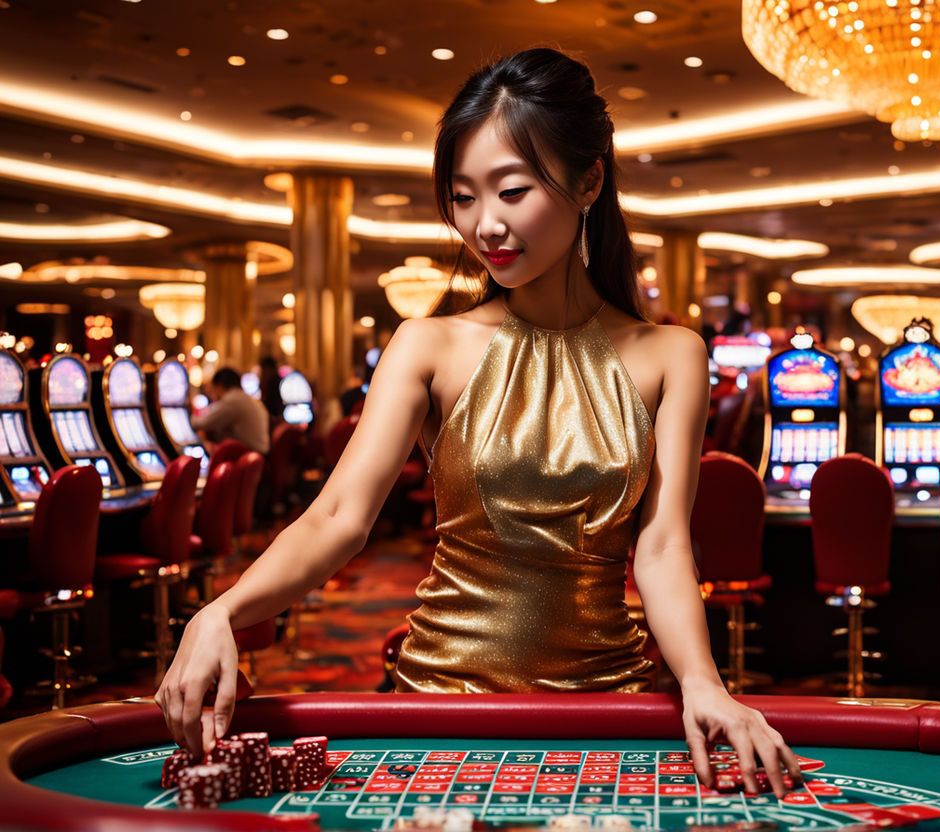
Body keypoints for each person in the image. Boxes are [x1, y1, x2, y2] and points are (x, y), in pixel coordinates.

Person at [156, 47, 801, 797]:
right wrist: (222, 611)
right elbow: (337, 516)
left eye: (512, 190)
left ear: (589, 179)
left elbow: (660, 550)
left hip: (612, 702)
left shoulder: (671, 354)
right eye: (462, 197)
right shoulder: (427, 344)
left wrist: (703, 682)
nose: (485, 225)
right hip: (439, 702)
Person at [191, 366, 271, 454]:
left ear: (220, 385)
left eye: (213, 389)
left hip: (246, 455)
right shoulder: (245, 398)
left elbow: (202, 423)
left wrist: (191, 415)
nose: (213, 394)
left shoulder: (233, 400)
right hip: (257, 455)